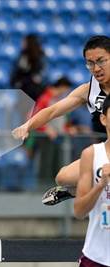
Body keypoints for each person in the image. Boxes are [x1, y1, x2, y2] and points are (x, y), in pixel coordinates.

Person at [12, 35, 110, 205]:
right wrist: (28, 125)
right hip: (106, 150)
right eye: (90, 63)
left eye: (101, 61)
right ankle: (75, 191)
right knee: (63, 177)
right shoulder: (87, 90)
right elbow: (52, 111)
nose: (96, 68)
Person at [73, 95, 110, 267]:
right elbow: (78, 210)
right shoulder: (91, 154)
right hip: (97, 256)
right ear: (104, 119)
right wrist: (101, 184)